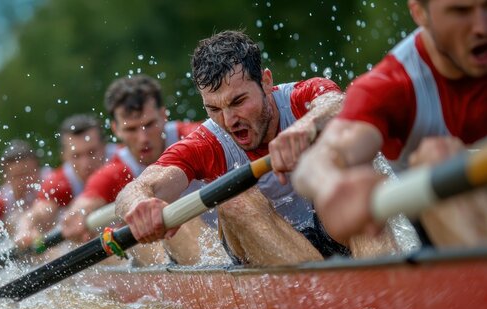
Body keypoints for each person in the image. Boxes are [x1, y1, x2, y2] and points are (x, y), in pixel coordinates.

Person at [115, 30, 350, 266]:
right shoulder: (206, 142)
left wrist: (308, 125)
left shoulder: (305, 96)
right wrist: (139, 205)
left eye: (238, 102)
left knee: (352, 170)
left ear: (266, 82)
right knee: (234, 199)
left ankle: (381, 277)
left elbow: (339, 104)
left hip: (334, 226)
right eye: (214, 109)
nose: (229, 121)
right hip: (261, 249)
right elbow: (137, 188)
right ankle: (323, 288)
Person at [292, 0, 487, 250]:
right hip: (455, 233)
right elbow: (318, 161)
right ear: (419, 13)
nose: (481, 27)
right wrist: (330, 185)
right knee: (435, 154)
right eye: (460, 11)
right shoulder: (392, 86)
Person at [60, 75, 206, 265]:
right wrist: (76, 216)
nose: (143, 138)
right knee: (136, 233)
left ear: (164, 115)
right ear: (116, 129)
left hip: (223, 234)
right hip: (183, 250)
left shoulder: (196, 136)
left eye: (149, 124)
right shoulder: (116, 169)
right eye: (131, 129)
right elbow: (85, 203)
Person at [14, 114, 111, 247]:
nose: (86, 163)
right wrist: (25, 229)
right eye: (76, 156)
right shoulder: (60, 181)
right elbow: (39, 212)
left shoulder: (122, 162)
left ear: (104, 146)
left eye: (91, 152)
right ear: (64, 156)